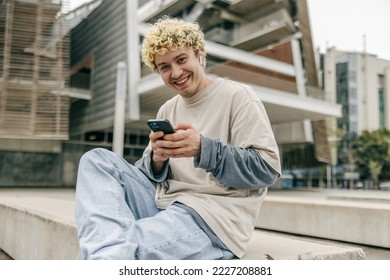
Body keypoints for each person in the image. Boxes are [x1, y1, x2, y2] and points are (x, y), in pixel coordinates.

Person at [74, 16, 281, 260]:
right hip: (163, 206)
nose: (176, 72)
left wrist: (203, 148)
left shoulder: (239, 96)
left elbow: (266, 170)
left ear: (199, 54)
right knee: (96, 159)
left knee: (118, 248)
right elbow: (147, 177)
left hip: (211, 219)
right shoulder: (167, 109)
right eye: (164, 67)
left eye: (181, 59)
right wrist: (157, 159)